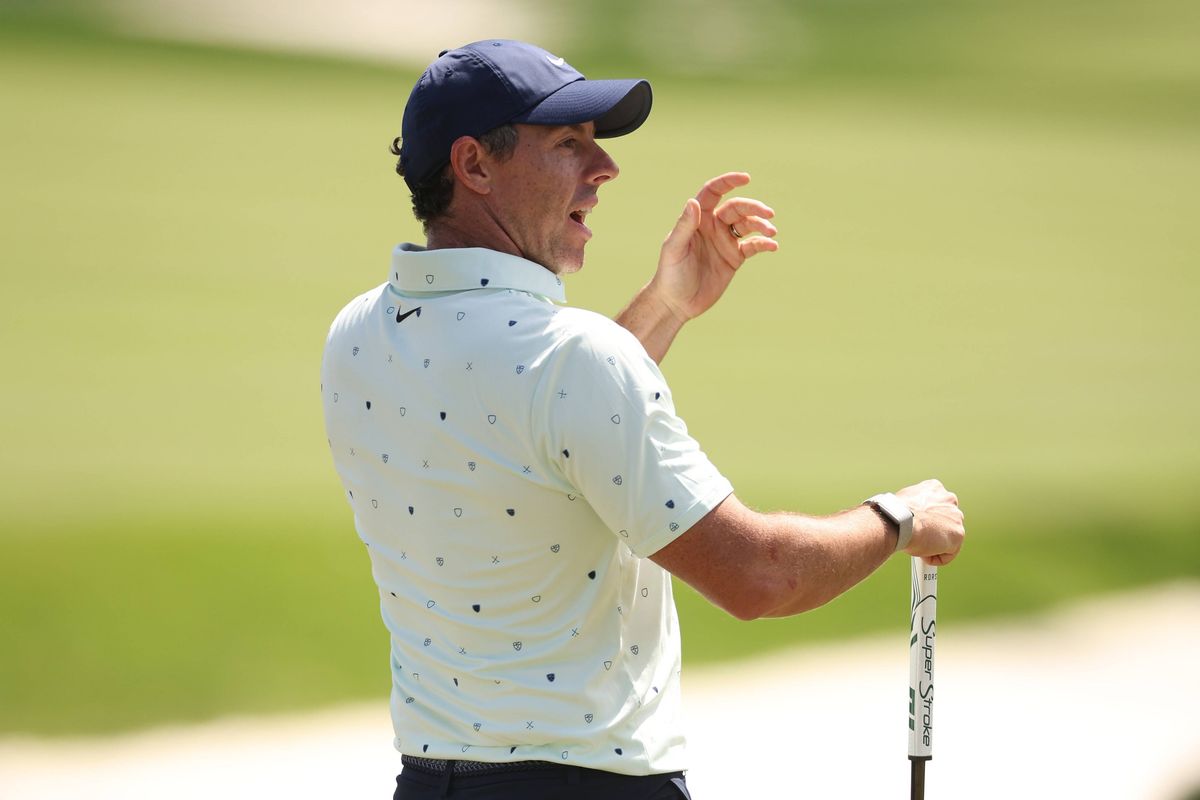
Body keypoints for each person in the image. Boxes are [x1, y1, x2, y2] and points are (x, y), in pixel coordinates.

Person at [320, 39, 965, 800]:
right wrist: (899, 518)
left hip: (429, 783)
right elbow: (760, 576)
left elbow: (540, 424)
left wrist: (666, 305)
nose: (605, 169)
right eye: (569, 144)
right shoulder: (574, 360)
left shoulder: (357, 332)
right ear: (475, 165)